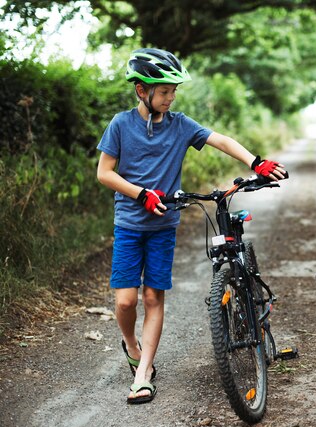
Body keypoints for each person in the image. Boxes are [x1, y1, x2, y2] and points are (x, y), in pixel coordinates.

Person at [96, 48, 287, 404]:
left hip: (163, 226)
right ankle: (132, 344)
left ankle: (143, 374)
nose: (171, 97)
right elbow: (104, 173)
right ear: (142, 91)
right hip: (129, 224)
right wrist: (141, 195)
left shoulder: (180, 124)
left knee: (153, 297)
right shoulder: (120, 125)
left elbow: (221, 140)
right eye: (164, 91)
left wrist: (255, 161)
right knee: (125, 302)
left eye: (173, 91)